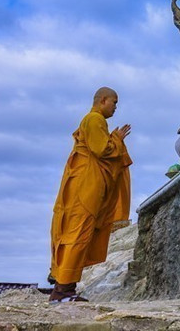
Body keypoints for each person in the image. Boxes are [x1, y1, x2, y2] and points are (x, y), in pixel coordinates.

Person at [48, 86, 132, 303]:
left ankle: (63, 288)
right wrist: (117, 138)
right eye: (114, 102)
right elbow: (102, 149)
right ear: (103, 100)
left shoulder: (92, 121)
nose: (116, 107)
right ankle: (63, 290)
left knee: (77, 233)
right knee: (78, 232)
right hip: (85, 186)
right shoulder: (94, 120)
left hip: (84, 184)